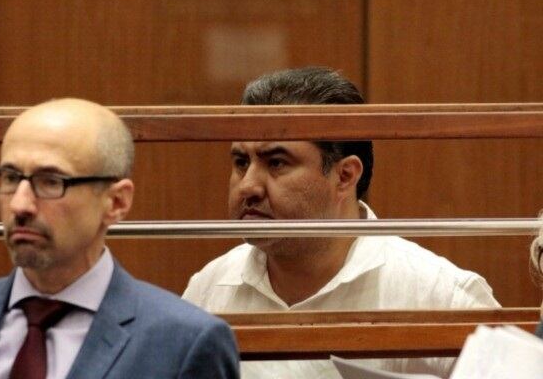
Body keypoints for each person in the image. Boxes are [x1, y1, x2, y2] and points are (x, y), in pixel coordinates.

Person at [182, 67, 500, 378]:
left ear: (345, 176)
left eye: (276, 163)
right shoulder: (208, 288)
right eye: (241, 162)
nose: (248, 186)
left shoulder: (440, 296)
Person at [0, 99, 239, 378]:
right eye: (10, 178)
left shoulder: (183, 343)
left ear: (116, 202)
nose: (20, 205)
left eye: (50, 182)